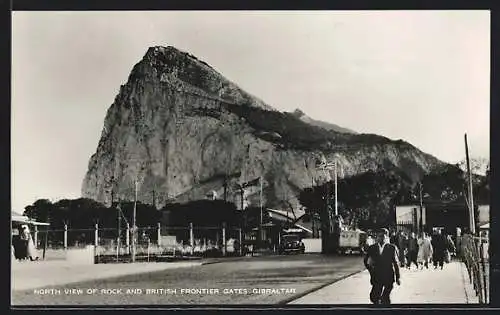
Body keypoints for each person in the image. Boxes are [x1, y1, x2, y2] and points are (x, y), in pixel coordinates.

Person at [364, 228, 401, 305]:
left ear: (387, 237)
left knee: (386, 297)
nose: (381, 238)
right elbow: (366, 261)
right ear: (377, 237)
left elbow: (396, 263)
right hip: (377, 275)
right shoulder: (372, 248)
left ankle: (386, 307)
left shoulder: (392, 248)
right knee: (374, 297)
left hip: (388, 275)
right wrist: (371, 270)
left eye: (383, 236)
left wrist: (398, 277)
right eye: (379, 236)